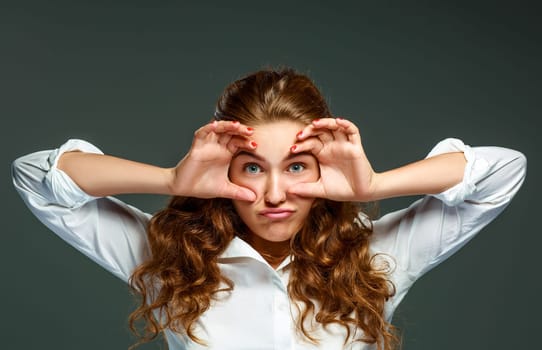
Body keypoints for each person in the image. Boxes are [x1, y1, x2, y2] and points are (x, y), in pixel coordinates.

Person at [12, 68, 526, 350]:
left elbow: (502, 172)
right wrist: (169, 178)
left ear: (323, 169)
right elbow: (35, 177)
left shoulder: (374, 256)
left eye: (297, 167)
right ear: (225, 172)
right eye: (253, 167)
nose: (275, 194)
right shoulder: (171, 260)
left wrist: (374, 186)